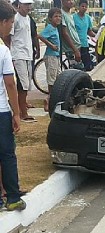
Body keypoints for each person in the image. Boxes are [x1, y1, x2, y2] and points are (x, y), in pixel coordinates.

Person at [0, 0, 26, 211]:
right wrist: (16, 114)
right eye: (10, 23)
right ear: (3, 22)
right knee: (7, 154)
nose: (12, 27)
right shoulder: (3, 51)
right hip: (1, 111)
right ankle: (13, 198)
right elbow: (10, 84)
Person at [4, 0, 37, 122]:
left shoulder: (28, 19)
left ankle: (23, 108)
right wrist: (10, 54)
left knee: (26, 85)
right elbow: (7, 37)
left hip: (28, 54)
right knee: (22, 85)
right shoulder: (16, 19)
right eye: (26, 4)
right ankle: (22, 112)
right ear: (19, 5)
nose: (28, 7)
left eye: (30, 4)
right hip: (18, 55)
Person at [38, 7, 61, 112]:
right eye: (55, 16)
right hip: (51, 55)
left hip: (56, 56)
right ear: (50, 18)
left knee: (58, 77)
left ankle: (53, 99)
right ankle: (49, 99)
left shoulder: (55, 28)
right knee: (51, 80)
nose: (58, 18)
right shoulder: (50, 28)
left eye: (59, 16)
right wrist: (50, 45)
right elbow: (41, 36)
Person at [73, 0, 95, 71]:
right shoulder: (73, 17)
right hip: (76, 45)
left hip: (85, 44)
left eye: (86, 6)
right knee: (78, 67)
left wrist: (97, 36)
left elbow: (89, 31)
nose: (84, 8)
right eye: (82, 6)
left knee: (88, 66)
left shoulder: (88, 18)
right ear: (78, 7)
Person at [61, 0, 81, 65]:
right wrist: (75, 50)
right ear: (63, 1)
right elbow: (64, 33)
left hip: (76, 46)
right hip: (71, 49)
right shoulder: (61, 14)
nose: (71, 2)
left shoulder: (70, 14)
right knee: (77, 72)